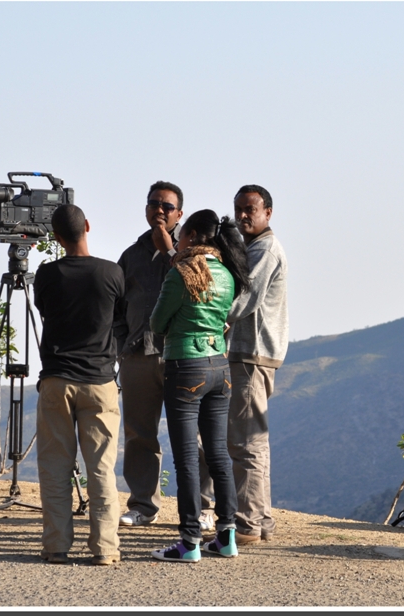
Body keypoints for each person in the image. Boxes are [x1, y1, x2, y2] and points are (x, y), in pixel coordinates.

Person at [149, 209, 251, 562]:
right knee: (219, 454)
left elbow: (157, 322)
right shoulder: (228, 273)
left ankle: (189, 541)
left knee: (187, 459)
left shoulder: (182, 273)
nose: (176, 239)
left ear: (191, 236)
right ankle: (226, 537)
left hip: (185, 368)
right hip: (219, 368)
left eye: (181, 235)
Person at [113, 181, 216, 529]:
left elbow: (204, 293)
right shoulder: (131, 255)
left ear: (180, 214)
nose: (159, 210)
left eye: (167, 206)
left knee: (194, 436)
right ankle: (143, 506)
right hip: (139, 356)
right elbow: (116, 306)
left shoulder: (196, 255)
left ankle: (203, 508)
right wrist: (122, 346)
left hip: (183, 356)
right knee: (139, 433)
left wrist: (171, 250)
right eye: (153, 203)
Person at [33, 203, 125, 566]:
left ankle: (56, 546)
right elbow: (120, 315)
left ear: (56, 237)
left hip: (56, 379)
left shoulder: (47, 275)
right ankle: (105, 548)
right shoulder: (111, 273)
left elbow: (42, 308)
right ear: (87, 226)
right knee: (101, 468)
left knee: (55, 467)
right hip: (100, 381)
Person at [225, 184, 289, 545]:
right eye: (239, 209)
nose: (243, 215)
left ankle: (246, 523)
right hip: (255, 352)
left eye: (250, 209)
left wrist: (214, 317)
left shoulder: (264, 248)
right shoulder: (253, 246)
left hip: (252, 352)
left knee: (245, 441)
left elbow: (244, 298)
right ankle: (260, 518)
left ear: (268, 212)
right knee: (255, 441)